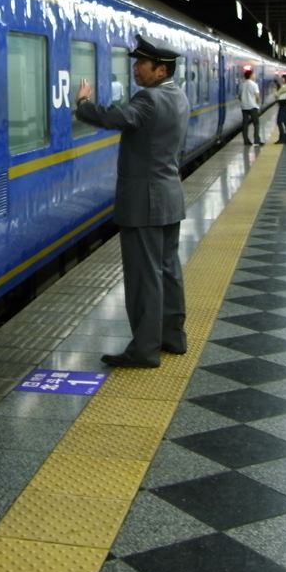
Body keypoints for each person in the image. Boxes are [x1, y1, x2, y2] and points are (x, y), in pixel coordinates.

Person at [75, 33, 190, 366]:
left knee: (144, 277)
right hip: (168, 198)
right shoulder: (178, 96)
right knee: (168, 271)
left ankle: (144, 350)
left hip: (144, 203)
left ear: (160, 70)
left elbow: (116, 118)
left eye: (142, 64)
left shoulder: (149, 100)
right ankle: (172, 337)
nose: (137, 69)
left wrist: (83, 105)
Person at [238, 68, 261, 145]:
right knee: (256, 123)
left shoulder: (242, 84)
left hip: (244, 107)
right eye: (253, 74)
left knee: (245, 124)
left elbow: (239, 96)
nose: (254, 75)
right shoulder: (254, 84)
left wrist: (244, 102)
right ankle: (256, 140)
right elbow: (257, 96)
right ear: (251, 75)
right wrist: (257, 104)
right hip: (253, 106)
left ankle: (246, 141)